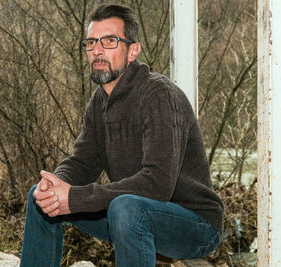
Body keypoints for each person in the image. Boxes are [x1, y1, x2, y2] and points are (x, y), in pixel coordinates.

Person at [20, 4, 223, 267]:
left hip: (194, 224)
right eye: (91, 42)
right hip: (129, 216)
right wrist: (56, 184)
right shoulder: (99, 101)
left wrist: (76, 198)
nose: (97, 50)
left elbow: (157, 184)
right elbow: (82, 162)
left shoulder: (158, 94)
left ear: (132, 50)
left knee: (125, 207)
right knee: (40, 196)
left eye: (110, 41)